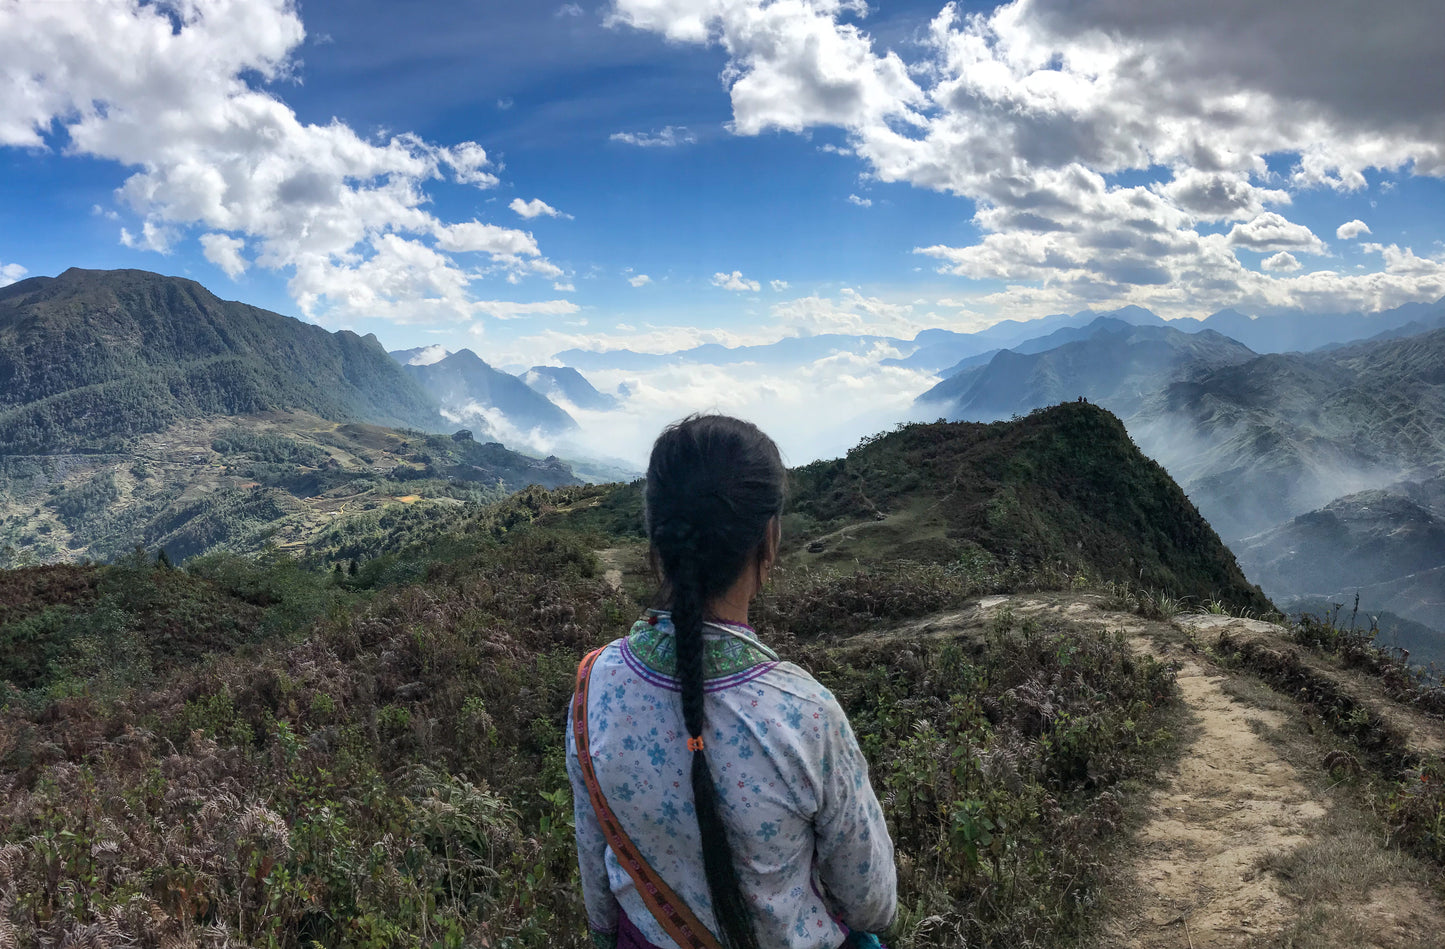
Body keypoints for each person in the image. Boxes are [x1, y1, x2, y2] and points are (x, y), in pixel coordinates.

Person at [566, 415, 897, 949]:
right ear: (769, 539)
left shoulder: (592, 688)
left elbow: (596, 874)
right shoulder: (807, 717)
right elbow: (872, 902)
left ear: (655, 536)